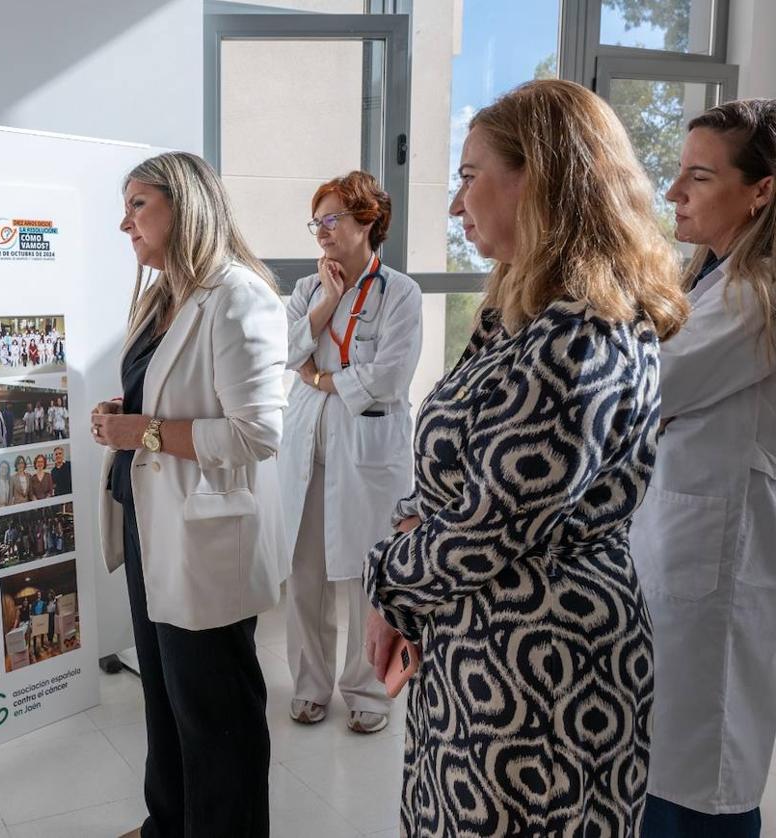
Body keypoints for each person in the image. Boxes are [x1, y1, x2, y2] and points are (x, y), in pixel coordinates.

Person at [362, 80, 689, 835]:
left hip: (538, 673)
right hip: (487, 646)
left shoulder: (579, 336)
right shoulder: (528, 319)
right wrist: (410, 578)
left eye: (470, 176)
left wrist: (387, 583)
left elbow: (488, 526)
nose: (454, 206)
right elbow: (461, 483)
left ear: (537, 175)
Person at [92, 151, 287, 838]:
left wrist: (142, 431)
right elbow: (172, 398)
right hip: (152, 521)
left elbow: (257, 433)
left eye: (139, 204)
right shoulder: (161, 299)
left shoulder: (239, 295)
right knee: (166, 698)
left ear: (187, 205)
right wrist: (129, 411)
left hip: (203, 533)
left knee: (216, 713)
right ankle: (167, 825)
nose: (125, 223)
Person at [629, 99, 776, 838]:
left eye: (699, 177)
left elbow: (646, 388)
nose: (674, 193)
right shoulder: (711, 283)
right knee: (669, 767)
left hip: (716, 569)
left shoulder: (756, 294)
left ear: (761, 191)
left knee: (703, 783)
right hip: (678, 549)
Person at [280, 171, 422, 734]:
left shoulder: (400, 293)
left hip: (365, 454)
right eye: (317, 220)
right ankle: (310, 686)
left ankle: (368, 692)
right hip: (308, 448)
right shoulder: (307, 289)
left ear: (368, 221)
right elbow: (288, 350)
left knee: (368, 577)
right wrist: (328, 303)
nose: (322, 230)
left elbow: (388, 376)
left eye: (333, 218)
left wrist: (320, 379)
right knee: (305, 573)